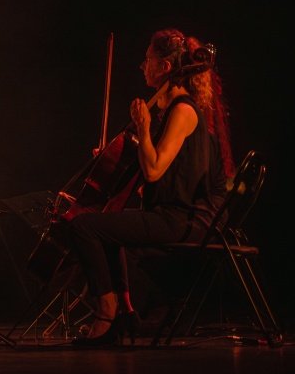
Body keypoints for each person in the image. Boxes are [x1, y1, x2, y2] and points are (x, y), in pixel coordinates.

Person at [66, 28, 234, 346]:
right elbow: (154, 171)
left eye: (148, 60)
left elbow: (154, 170)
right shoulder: (172, 111)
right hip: (176, 215)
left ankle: (106, 311)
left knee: (84, 227)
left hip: (186, 221)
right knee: (108, 227)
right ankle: (126, 312)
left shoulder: (183, 111)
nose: (143, 66)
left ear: (165, 68)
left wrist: (143, 130)